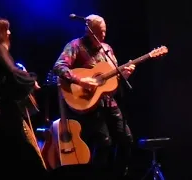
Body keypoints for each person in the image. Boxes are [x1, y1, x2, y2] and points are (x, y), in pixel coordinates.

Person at [53, 14, 135, 178]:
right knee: (104, 144)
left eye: (104, 32)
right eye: (98, 32)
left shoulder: (107, 49)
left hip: (109, 102)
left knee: (127, 140)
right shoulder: (75, 46)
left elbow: (113, 77)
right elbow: (59, 66)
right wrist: (81, 81)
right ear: (88, 31)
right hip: (89, 105)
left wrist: (123, 75)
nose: (102, 36)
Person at [0, 16, 46, 177]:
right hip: (9, 111)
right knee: (29, 151)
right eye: (6, 29)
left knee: (8, 155)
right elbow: (14, 73)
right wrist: (32, 80)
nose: (9, 32)